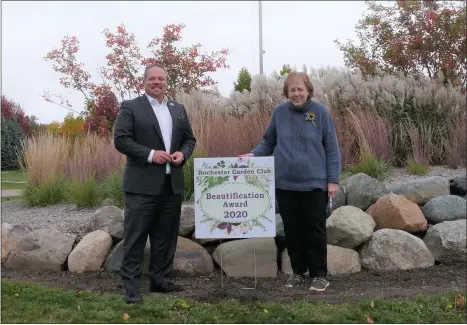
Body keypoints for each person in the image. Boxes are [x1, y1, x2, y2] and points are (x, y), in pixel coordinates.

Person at [239, 71, 341, 292]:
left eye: (300, 89)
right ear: (287, 92)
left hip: (314, 184)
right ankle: (297, 272)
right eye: (292, 90)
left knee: (314, 230)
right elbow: (268, 141)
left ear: (308, 91)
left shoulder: (320, 112)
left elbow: (332, 147)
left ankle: (319, 275)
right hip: (285, 185)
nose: (296, 93)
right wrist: (253, 155)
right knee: (292, 231)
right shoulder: (279, 113)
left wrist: (333, 180)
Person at [114, 64, 196, 304]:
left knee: (166, 238)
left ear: (166, 82)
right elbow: (121, 140)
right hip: (141, 186)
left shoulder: (177, 108)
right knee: (136, 238)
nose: (157, 82)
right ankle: (131, 289)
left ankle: (160, 281)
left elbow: (189, 139)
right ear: (144, 82)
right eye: (153, 79)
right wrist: (151, 154)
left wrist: (182, 154)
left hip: (172, 185)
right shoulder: (130, 107)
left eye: (161, 79)